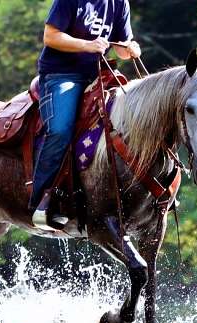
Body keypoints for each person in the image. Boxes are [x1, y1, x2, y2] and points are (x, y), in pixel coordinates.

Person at [31, 0, 141, 230]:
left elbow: (120, 47)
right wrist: (86, 45)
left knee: (129, 119)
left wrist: (130, 48)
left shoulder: (120, 3)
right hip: (61, 74)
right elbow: (51, 36)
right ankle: (41, 202)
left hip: (98, 74)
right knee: (60, 130)